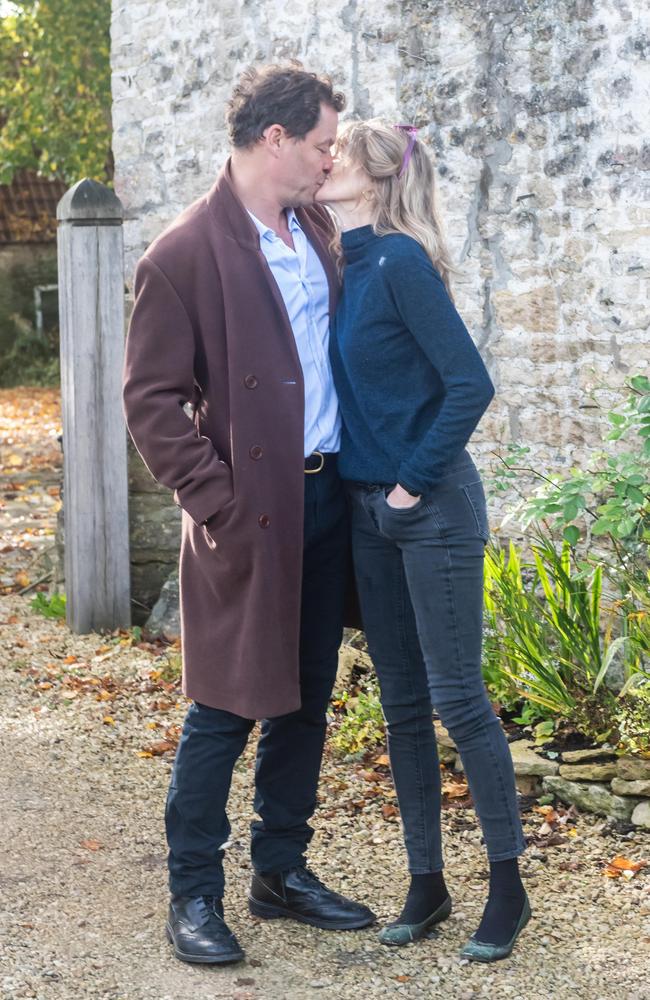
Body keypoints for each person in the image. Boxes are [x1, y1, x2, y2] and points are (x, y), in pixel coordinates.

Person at [122, 65, 375, 967]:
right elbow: (152, 403)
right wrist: (217, 500)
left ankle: (281, 872)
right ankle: (192, 895)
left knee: (305, 698)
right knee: (225, 708)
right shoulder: (182, 252)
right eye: (319, 144)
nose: (327, 159)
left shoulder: (314, 226)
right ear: (276, 139)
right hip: (246, 516)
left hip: (326, 497)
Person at [315, 119, 530, 963]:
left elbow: (469, 383)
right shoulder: (347, 261)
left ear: (374, 176)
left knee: (457, 698)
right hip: (369, 513)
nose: (323, 160)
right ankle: (426, 884)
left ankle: (508, 889)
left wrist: (408, 481)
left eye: (339, 154)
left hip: (430, 508)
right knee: (400, 705)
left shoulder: (400, 259)